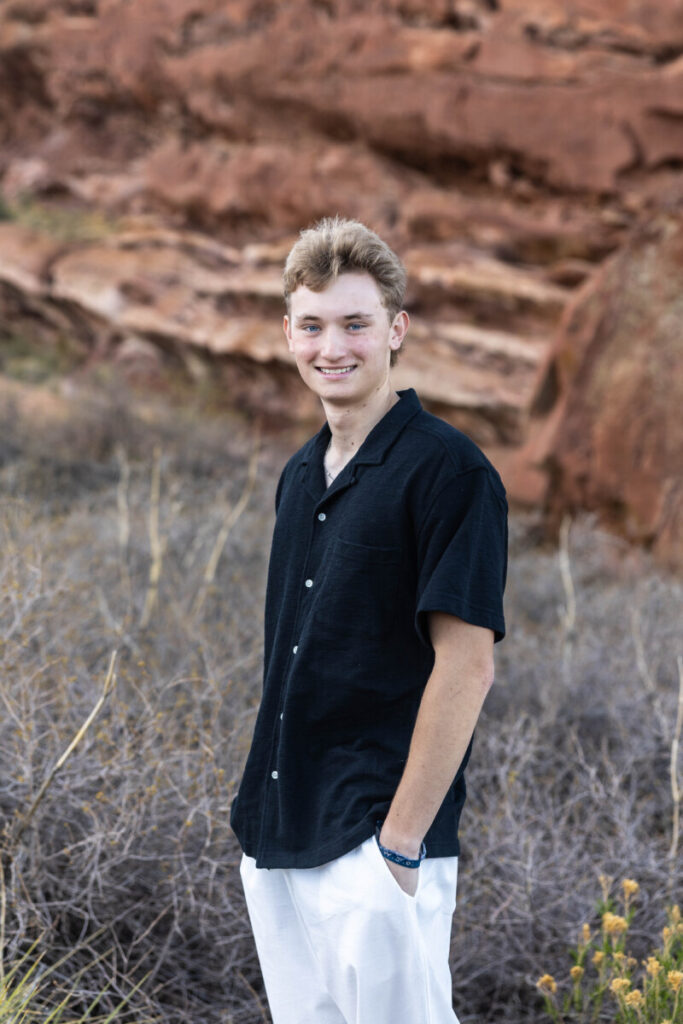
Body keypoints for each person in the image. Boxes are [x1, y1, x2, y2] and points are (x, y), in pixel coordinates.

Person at [230, 216, 507, 1024]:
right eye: (312, 325)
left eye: (355, 323)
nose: (332, 346)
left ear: (396, 329)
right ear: (287, 334)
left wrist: (398, 845)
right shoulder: (298, 473)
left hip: (373, 843)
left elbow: (466, 666)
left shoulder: (449, 472)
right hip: (277, 831)